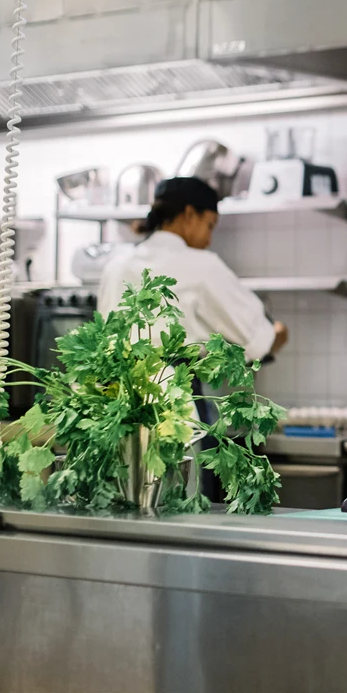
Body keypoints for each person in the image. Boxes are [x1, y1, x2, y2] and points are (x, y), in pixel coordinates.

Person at [97, 177, 290, 499]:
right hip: (175, 407)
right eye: (210, 225)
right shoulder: (201, 265)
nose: (208, 238)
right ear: (189, 214)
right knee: (181, 503)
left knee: (121, 503)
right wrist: (278, 334)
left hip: (110, 406)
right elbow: (256, 340)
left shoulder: (116, 266)